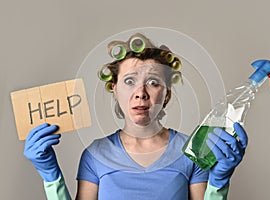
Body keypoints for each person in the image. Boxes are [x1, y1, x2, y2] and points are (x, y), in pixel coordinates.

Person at [24, 33, 248, 200]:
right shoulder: (95, 154)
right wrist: (51, 178)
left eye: (153, 82)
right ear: (115, 88)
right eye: (129, 81)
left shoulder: (191, 151)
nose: (140, 92)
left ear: (166, 93)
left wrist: (218, 184)